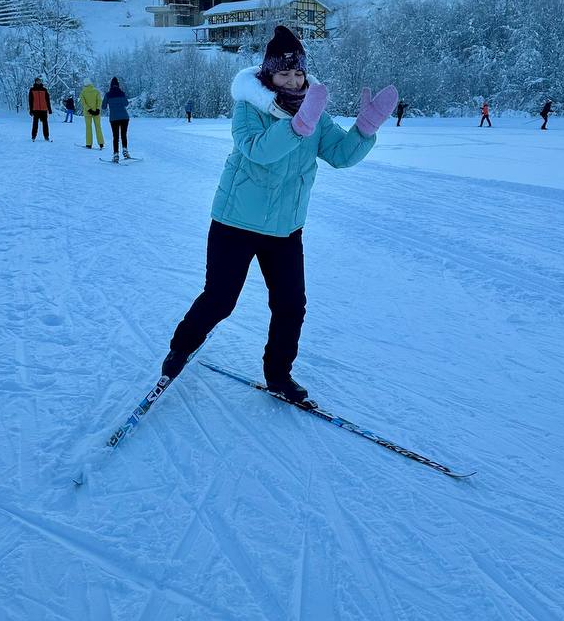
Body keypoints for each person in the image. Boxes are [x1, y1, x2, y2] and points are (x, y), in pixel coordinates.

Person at [160, 25, 398, 405]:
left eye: (298, 72)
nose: (293, 80)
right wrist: (297, 126)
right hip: (235, 223)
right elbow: (258, 151)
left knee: (290, 305)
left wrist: (364, 129)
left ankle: (278, 375)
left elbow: (340, 155)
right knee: (220, 299)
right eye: (284, 73)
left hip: (286, 230)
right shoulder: (249, 107)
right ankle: (181, 349)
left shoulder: (314, 111)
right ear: (268, 75)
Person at [102, 76, 132, 162]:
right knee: (123, 135)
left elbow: (103, 107)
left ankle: (116, 155)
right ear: (118, 85)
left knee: (115, 137)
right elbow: (126, 103)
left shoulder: (108, 94)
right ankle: (125, 151)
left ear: (111, 85)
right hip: (124, 117)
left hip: (114, 118)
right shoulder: (122, 93)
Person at [79, 78, 105, 150]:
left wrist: (89, 110)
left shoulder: (83, 92)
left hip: (87, 113)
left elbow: (83, 103)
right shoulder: (96, 91)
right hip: (96, 113)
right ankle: (101, 143)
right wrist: (97, 109)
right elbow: (99, 101)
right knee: (98, 127)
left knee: (88, 128)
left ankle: (89, 144)